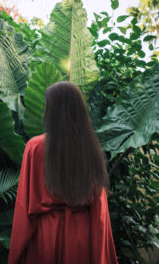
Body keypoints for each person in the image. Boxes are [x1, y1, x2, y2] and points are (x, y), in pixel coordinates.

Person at [8, 81, 119, 264]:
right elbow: (100, 210)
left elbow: (24, 207)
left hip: (46, 238)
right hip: (82, 236)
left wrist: (16, 256)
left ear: (51, 111)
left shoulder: (35, 147)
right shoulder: (90, 148)